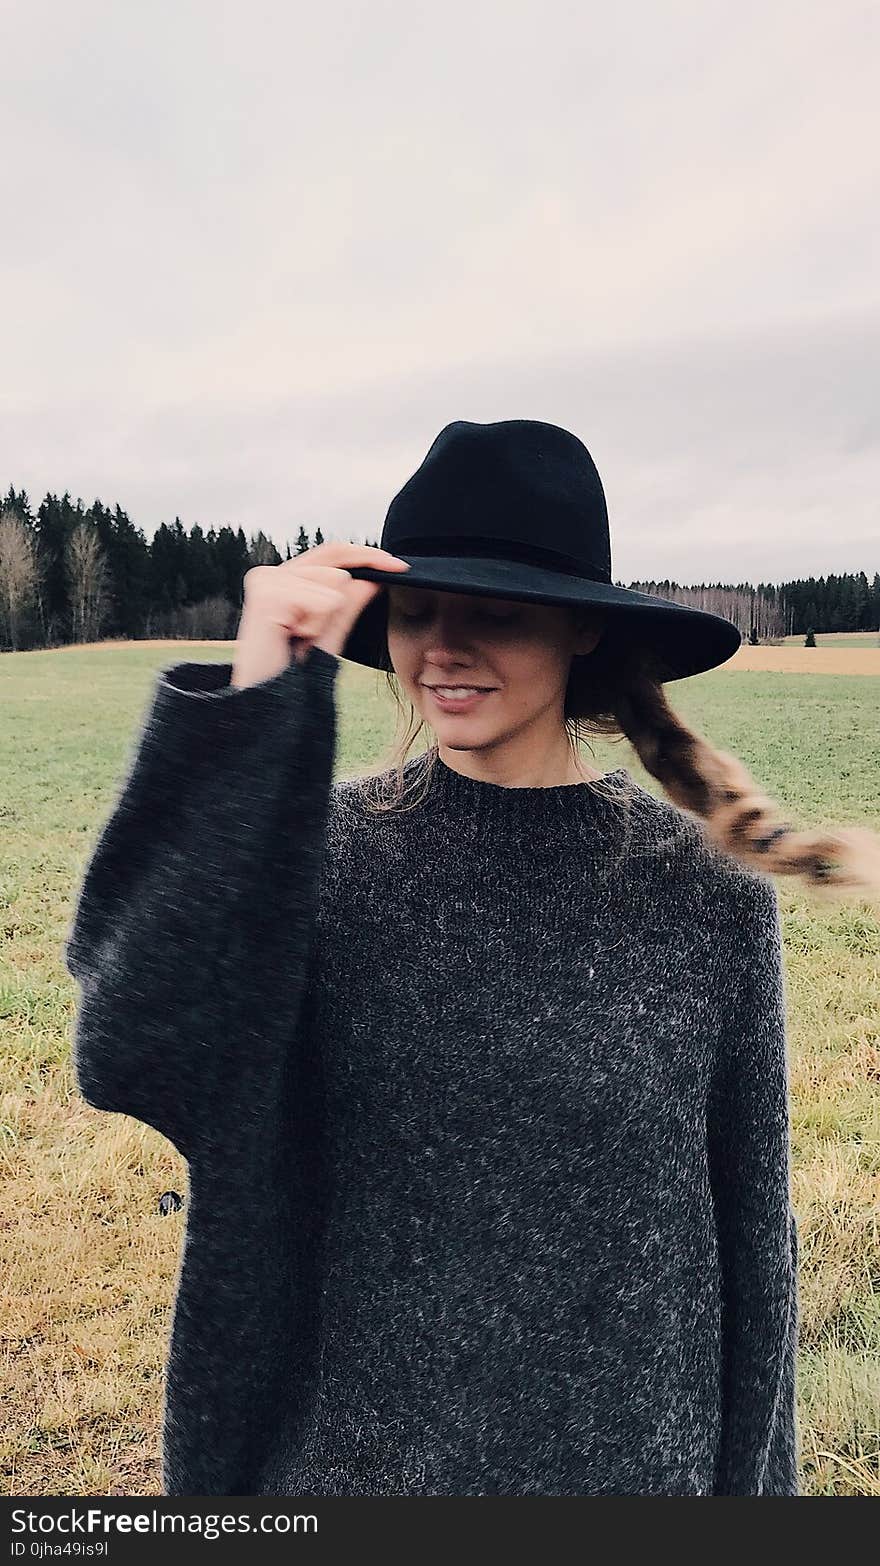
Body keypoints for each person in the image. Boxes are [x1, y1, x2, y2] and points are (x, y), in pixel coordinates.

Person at [63, 420, 880, 1498]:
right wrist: (255, 708)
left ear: (580, 632)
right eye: (415, 613)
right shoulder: (323, 862)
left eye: (493, 615)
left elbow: (751, 1246)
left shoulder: (701, 890)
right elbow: (134, 1052)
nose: (442, 649)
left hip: (629, 1475)